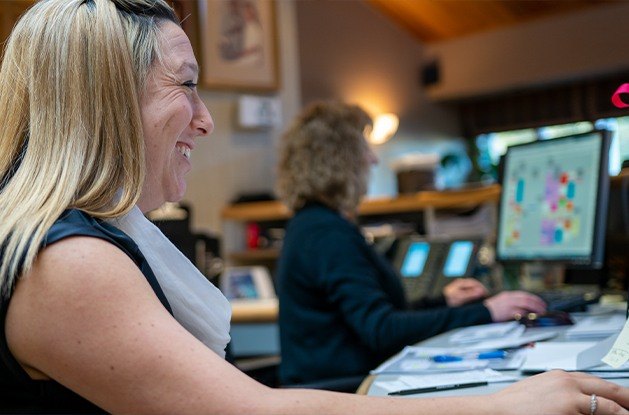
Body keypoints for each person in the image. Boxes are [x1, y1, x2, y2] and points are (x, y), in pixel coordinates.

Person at [0, 1, 627, 414]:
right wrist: (499, 403)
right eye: (186, 85)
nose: (206, 119)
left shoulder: (75, 241)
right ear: (106, 97)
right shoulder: (68, 261)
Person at [275, 101, 548, 386]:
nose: (373, 160)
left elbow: (376, 318)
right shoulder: (326, 234)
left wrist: (445, 302)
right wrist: (487, 311)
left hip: (344, 383)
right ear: (340, 159)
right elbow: (381, 330)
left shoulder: (312, 225)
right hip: (344, 391)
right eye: (365, 149)